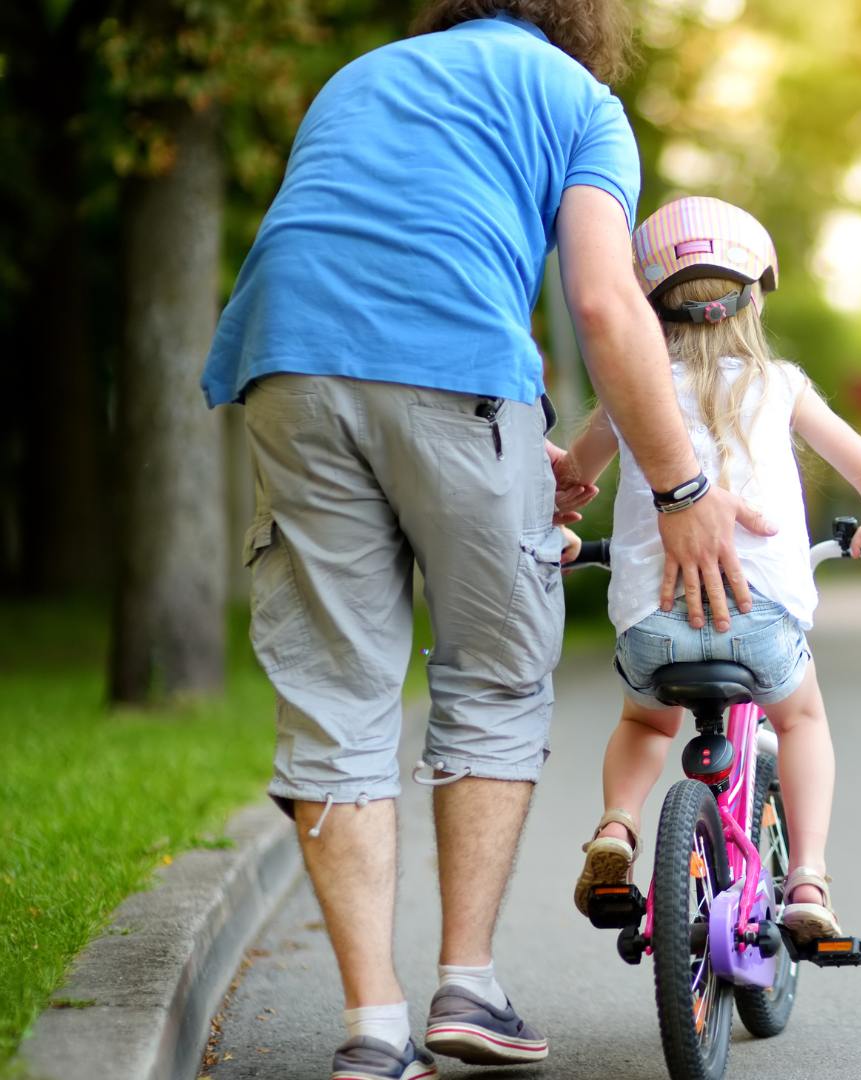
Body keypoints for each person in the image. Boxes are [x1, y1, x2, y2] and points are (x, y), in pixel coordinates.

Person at [198, 6, 773, 1079]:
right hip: (458, 366)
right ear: (582, 19)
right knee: (496, 677)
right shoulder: (581, 101)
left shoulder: (362, 76)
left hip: (285, 363)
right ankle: (469, 982)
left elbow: (341, 232)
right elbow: (608, 306)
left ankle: (374, 1029)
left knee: (335, 693)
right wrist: (682, 484)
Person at [562, 196, 861, 944]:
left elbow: (571, 481)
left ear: (646, 302)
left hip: (652, 628)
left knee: (644, 720)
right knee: (803, 719)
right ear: (754, 295)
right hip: (762, 627)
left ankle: (618, 828)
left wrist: (560, 530)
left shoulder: (630, 394)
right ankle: (809, 879)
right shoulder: (780, 385)